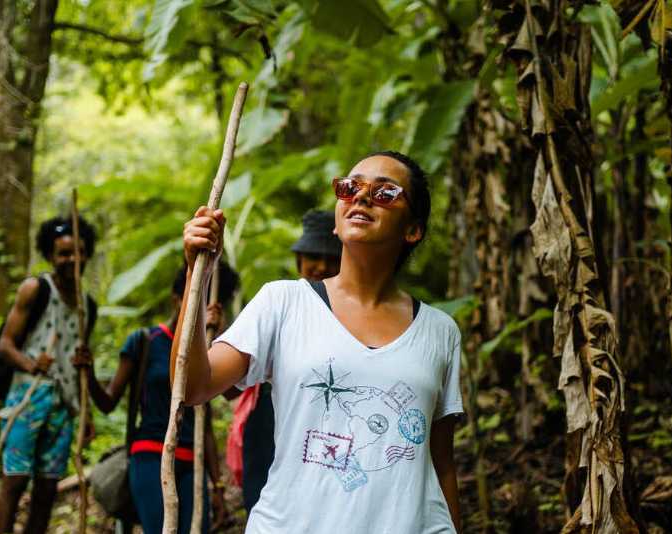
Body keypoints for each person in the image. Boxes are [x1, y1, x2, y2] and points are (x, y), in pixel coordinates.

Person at [177, 151, 463, 533]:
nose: (361, 197)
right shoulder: (283, 303)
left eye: (385, 193)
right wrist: (197, 273)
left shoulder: (440, 331)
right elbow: (193, 385)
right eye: (351, 187)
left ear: (413, 229)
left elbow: (441, 463)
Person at [72, 263, 238, 534]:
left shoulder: (208, 350)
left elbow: (212, 414)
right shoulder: (145, 341)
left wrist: (217, 486)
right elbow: (108, 402)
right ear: (177, 301)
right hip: (150, 457)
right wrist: (88, 373)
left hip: (191, 464)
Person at [228, 209, 342, 513]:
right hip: (269, 419)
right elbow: (225, 386)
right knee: (264, 498)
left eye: (332, 258)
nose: (321, 266)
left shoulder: (355, 320)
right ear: (299, 261)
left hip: (328, 427)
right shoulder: (277, 306)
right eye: (313, 257)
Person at [0, 215, 99, 534]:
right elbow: (4, 345)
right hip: (28, 398)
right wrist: (30, 363)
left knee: (47, 489)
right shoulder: (35, 289)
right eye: (64, 253)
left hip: (63, 407)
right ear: (50, 256)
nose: (72, 259)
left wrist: (86, 412)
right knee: (15, 481)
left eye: (78, 252)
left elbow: (77, 364)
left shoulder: (87, 307)